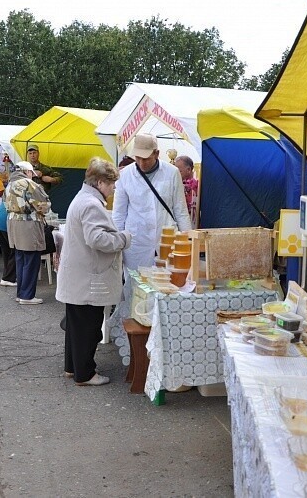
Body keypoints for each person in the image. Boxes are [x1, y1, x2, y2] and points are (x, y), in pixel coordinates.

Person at [56, 158, 131, 386]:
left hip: (78, 277)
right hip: (88, 279)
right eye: (111, 184)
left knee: (76, 328)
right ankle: (85, 374)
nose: (114, 188)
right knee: (88, 329)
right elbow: (97, 239)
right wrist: (123, 239)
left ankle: (73, 368)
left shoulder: (83, 198)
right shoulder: (91, 204)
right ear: (100, 182)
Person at [112, 133, 192, 271]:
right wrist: (116, 245)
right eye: (138, 158)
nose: (142, 163)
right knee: (135, 286)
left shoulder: (172, 172)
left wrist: (188, 242)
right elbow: (119, 214)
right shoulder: (125, 175)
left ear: (156, 154)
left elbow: (181, 210)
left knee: (169, 284)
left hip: (166, 240)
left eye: (146, 159)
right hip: (136, 243)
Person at [5, 161, 51, 304]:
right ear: (28, 172)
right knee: (31, 260)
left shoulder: (9, 184)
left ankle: (21, 293)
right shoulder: (28, 183)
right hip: (29, 224)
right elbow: (42, 205)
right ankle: (27, 296)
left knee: (21, 259)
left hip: (13, 223)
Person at [0, 199, 16, 287]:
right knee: (16, 250)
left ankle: (7, 274)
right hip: (6, 221)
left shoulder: (11, 188)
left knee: (6, 250)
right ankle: (8, 278)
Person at [175, 155, 199, 224]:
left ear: (188, 169)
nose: (175, 174)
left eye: (179, 171)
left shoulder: (197, 186)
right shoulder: (177, 183)